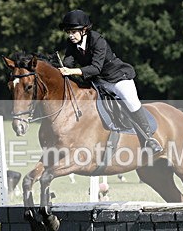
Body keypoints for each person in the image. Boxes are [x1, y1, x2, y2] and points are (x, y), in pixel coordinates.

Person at [56, 9, 163, 154]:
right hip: (98, 83)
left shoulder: (98, 41)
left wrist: (72, 71)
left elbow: (96, 68)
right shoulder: (71, 43)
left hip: (117, 78)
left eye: (73, 31)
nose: (70, 35)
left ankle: (149, 139)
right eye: (68, 32)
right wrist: (59, 67)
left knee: (131, 102)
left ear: (84, 30)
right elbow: (69, 61)